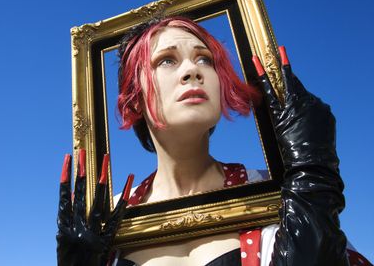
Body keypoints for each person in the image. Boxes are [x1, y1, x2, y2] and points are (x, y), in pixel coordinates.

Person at [56, 17, 372, 266]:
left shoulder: (275, 191)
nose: (193, 70)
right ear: (134, 98)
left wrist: (315, 179)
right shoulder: (109, 220)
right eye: (166, 60)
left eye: (205, 60)